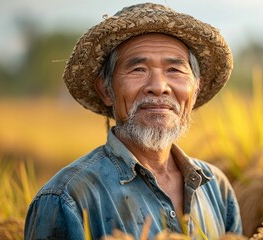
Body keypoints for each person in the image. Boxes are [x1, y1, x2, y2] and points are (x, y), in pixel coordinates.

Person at [24, 2, 242, 240]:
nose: (158, 87)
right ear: (106, 90)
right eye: (138, 69)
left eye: (174, 70)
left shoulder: (216, 189)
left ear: (195, 89)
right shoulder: (68, 198)